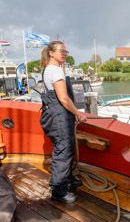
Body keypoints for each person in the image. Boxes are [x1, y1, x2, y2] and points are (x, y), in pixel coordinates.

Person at [39, 41, 87, 203]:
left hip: (52, 115)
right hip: (59, 117)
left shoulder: (47, 70)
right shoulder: (56, 70)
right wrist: (78, 114)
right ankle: (59, 190)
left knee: (64, 148)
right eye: (62, 51)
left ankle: (67, 178)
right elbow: (64, 98)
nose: (65, 53)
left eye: (66, 51)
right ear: (51, 53)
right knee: (63, 150)